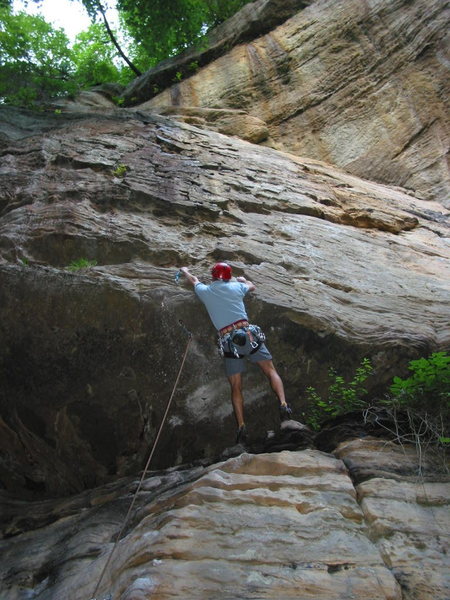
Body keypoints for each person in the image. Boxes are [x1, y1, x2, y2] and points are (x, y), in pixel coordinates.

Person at [180, 262, 292, 444]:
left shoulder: (206, 291)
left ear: (214, 276)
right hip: (249, 334)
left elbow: (194, 280)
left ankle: (241, 426)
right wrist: (242, 279)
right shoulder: (236, 287)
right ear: (229, 276)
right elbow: (251, 286)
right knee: (270, 371)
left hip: (229, 342)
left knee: (236, 386)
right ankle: (283, 404)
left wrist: (185, 271)